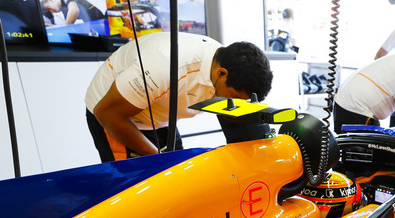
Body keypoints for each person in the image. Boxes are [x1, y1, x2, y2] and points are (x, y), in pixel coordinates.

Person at [85, 32, 273, 162]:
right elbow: (107, 113)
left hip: (160, 112)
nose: (237, 104)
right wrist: (160, 158)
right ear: (222, 73)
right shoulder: (164, 66)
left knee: (176, 180)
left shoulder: (222, 62)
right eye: (234, 97)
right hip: (114, 113)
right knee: (136, 189)